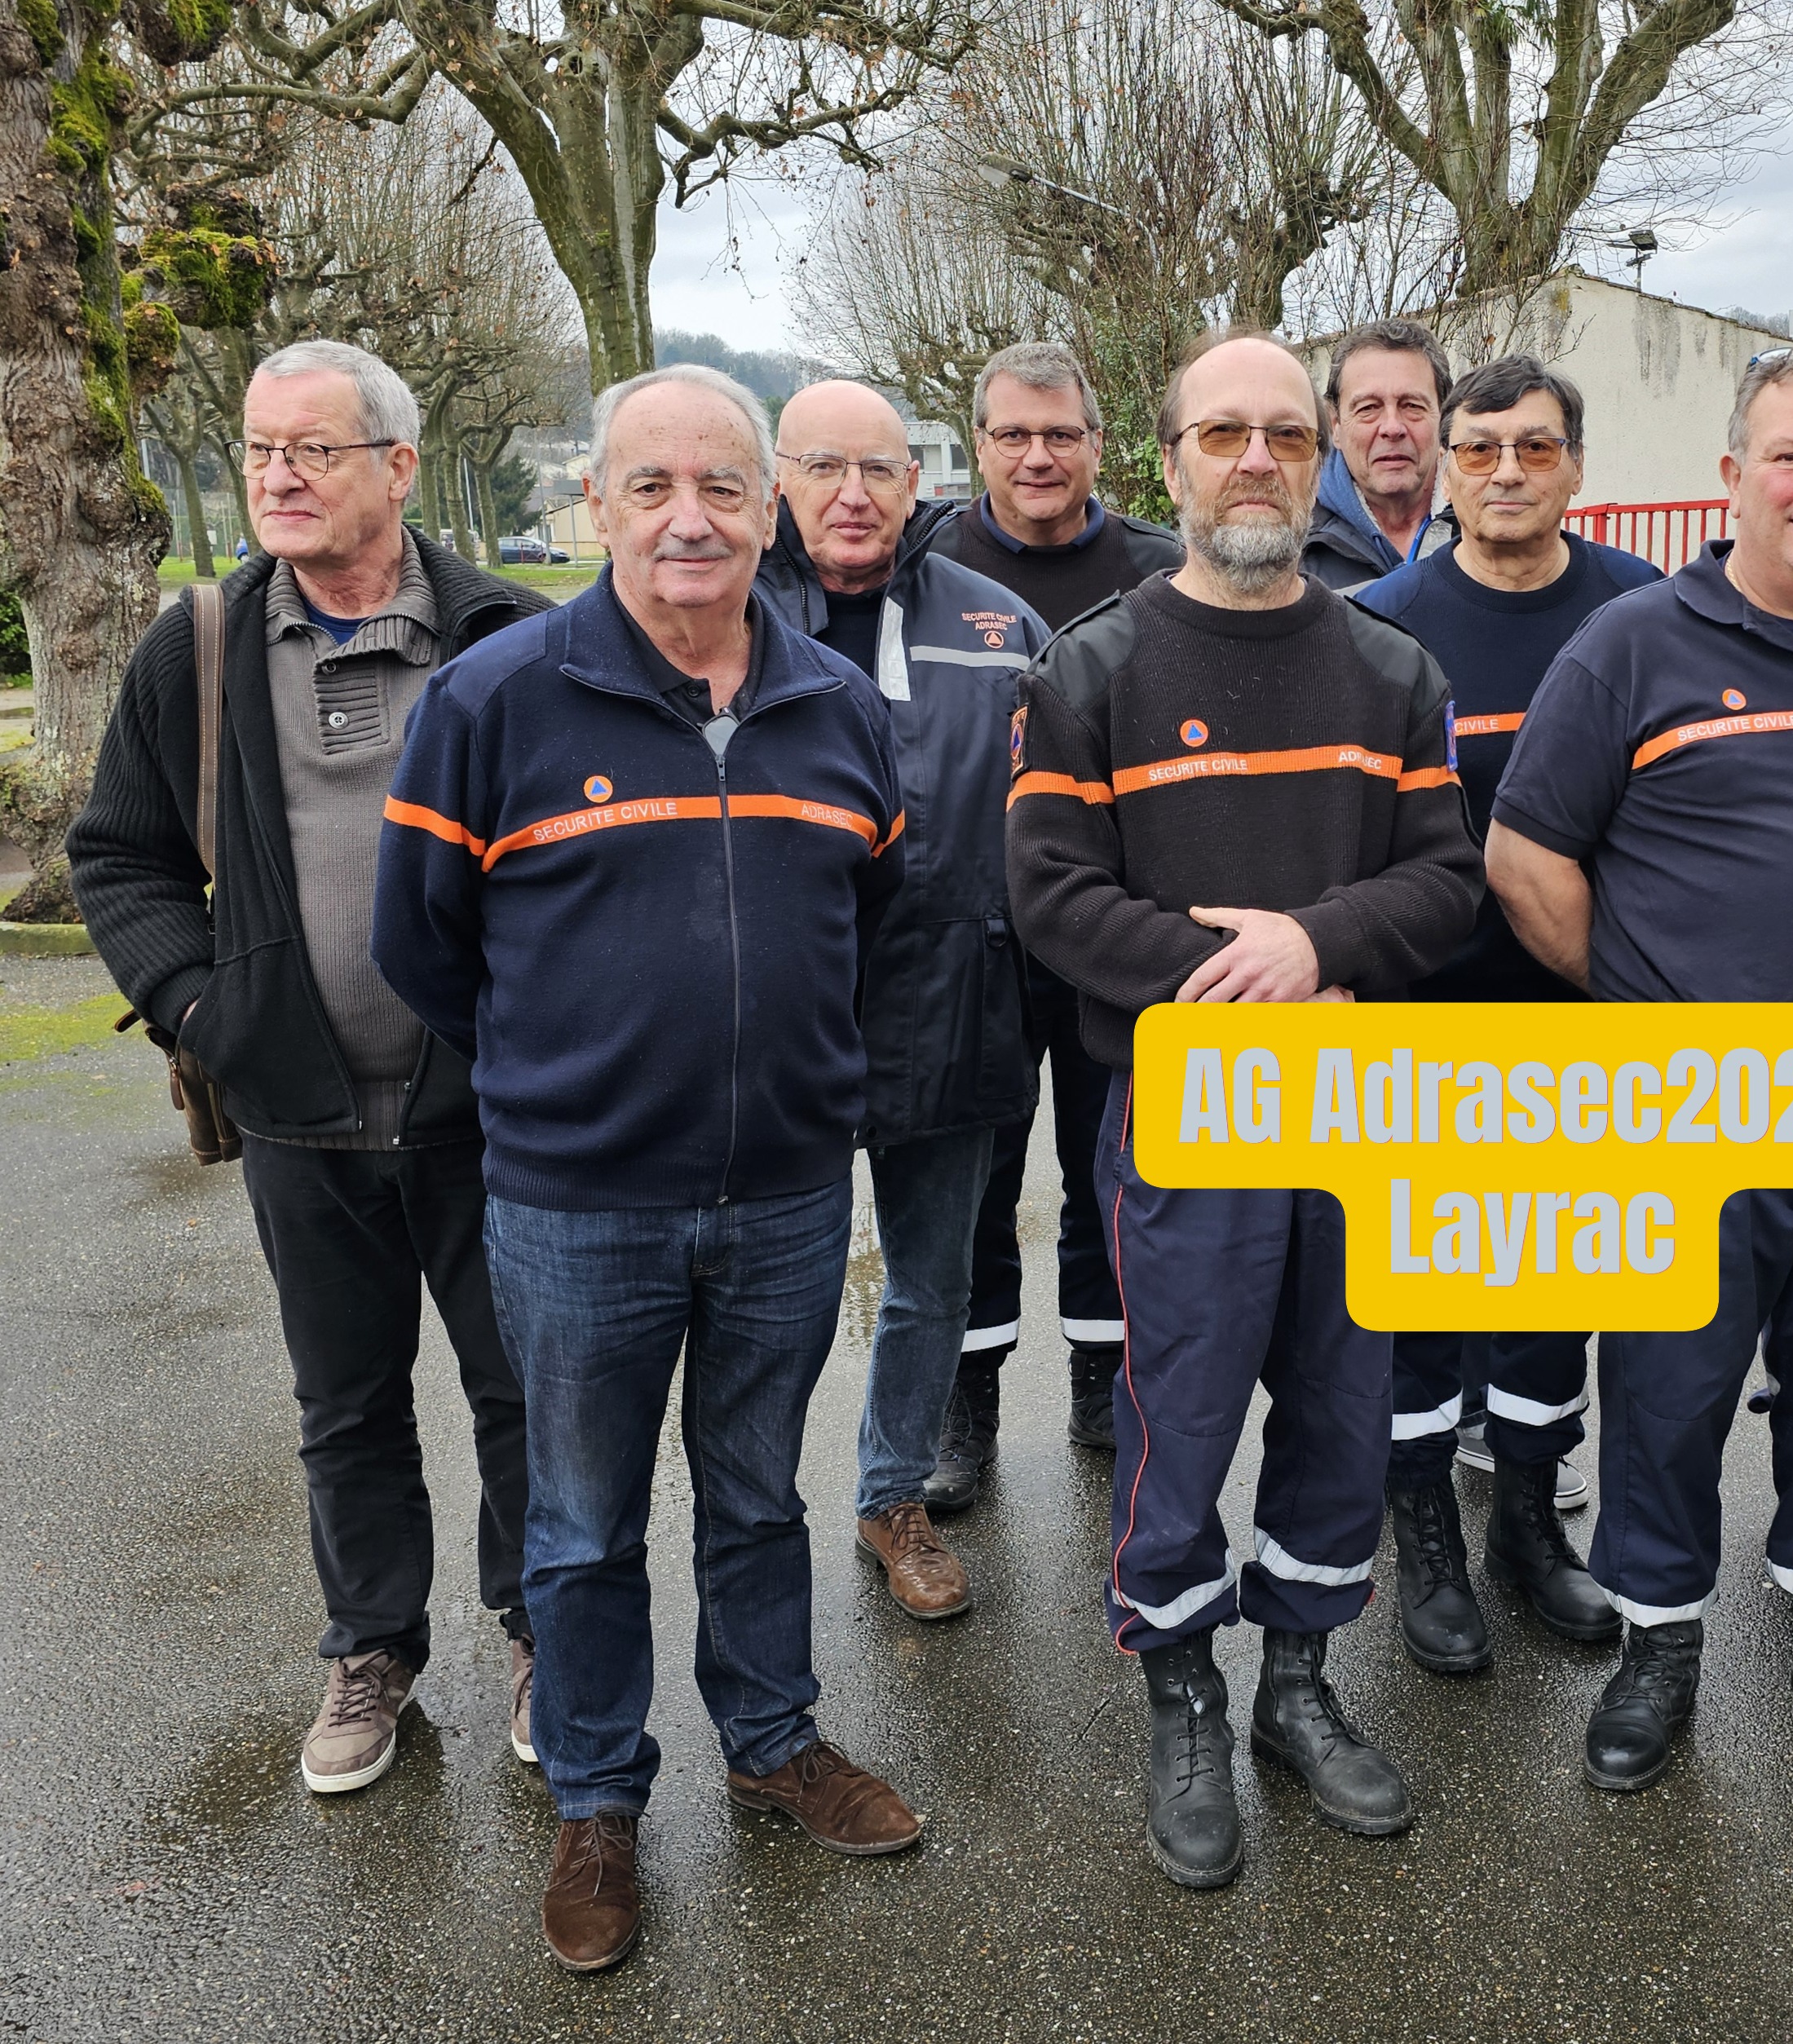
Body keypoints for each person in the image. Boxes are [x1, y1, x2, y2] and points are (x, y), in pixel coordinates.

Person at [374, 364, 917, 1972]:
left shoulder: (836, 708)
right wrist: (570, 1079)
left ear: (770, 511)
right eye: (652, 486)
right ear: (596, 505)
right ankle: (598, 1796)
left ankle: (771, 1735)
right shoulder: (494, 701)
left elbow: (871, 920)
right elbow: (422, 943)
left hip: (786, 1196)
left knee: (756, 1492)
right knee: (581, 1518)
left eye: (723, 487)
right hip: (576, 1206)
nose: (690, 518)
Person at [1005, 327, 1482, 1888]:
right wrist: (1239, 979)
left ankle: (1297, 1679)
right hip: (1189, 1109)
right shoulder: (1091, 671)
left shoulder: (1392, 670)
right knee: (1183, 1409)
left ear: (1320, 458)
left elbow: (1448, 881)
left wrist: (1318, 944)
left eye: (1286, 433)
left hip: (1354, 1112)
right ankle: (1182, 1688)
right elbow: (1050, 895)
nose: (1258, 459)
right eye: (1224, 434)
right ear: (1172, 463)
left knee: (1342, 1406)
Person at [68, 339, 551, 1801]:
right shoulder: (198, 647)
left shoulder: (510, 635)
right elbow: (121, 854)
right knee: (345, 1402)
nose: (277, 476)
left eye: (312, 450)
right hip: (299, 1113)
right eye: (261, 449)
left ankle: (544, 1628)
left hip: (494, 1115)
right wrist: (203, 1010)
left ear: (397, 468)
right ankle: (371, 1646)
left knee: (523, 1391)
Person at [1486, 336, 1793, 1792]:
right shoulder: (1631, 645)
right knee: (1670, 1389)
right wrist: (1651, 1007)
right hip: (1687, 1106)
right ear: (1732, 476)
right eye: (1790, 455)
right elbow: (1524, 854)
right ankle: (1659, 1646)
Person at [1351, 355, 1658, 1676]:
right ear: (1446, 468)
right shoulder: (1377, 625)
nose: (1507, 472)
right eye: (1479, 449)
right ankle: (1425, 1536)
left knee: (1550, 1294)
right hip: (1421, 1020)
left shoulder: (1642, 614)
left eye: (1535, 447)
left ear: (1575, 466)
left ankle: (1530, 1525)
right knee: (1418, 1299)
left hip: (1585, 1013)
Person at [756, 380, 1045, 1617]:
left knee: (933, 1280)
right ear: (780, 479)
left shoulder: (998, 623)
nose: (852, 493)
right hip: (780, 1018)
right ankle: (751, 1516)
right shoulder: (722, 611)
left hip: (955, 1001)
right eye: (823, 467)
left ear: (916, 481)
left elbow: (1058, 809)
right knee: (770, 1293)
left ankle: (893, 1495)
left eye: (878, 468)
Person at [924, 342, 1182, 1504]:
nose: (1039, 455)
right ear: (978, 443)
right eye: (1015, 434)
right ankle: (964, 1402)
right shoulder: (926, 564)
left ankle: (1099, 1375)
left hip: (1114, 927)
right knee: (972, 1179)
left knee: (1106, 1168)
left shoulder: (1160, 569)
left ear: (1096, 444)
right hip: (968, 930)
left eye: (1061, 434)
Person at [1303, 319, 1451, 590]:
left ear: (1444, 419)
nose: (1392, 428)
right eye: (1368, 408)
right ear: (1336, 427)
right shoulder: (1292, 547)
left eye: (1412, 406)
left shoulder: (1489, 526)